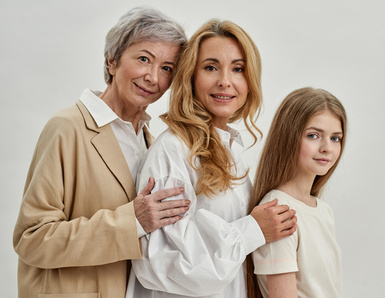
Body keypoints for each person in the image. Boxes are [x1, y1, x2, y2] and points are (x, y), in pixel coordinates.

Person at [12, 7, 191, 298]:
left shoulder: (151, 141)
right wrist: (131, 222)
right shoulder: (67, 128)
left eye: (167, 68)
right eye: (144, 59)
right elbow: (31, 239)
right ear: (112, 60)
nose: (152, 77)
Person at [127, 19, 298, 298]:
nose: (225, 81)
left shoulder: (230, 149)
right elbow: (169, 264)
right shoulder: (173, 151)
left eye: (238, 69)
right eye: (210, 67)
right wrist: (253, 229)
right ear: (190, 76)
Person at [249, 87, 347, 298]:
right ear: (288, 136)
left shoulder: (323, 210)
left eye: (335, 138)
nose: (326, 148)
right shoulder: (278, 210)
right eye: (313, 136)